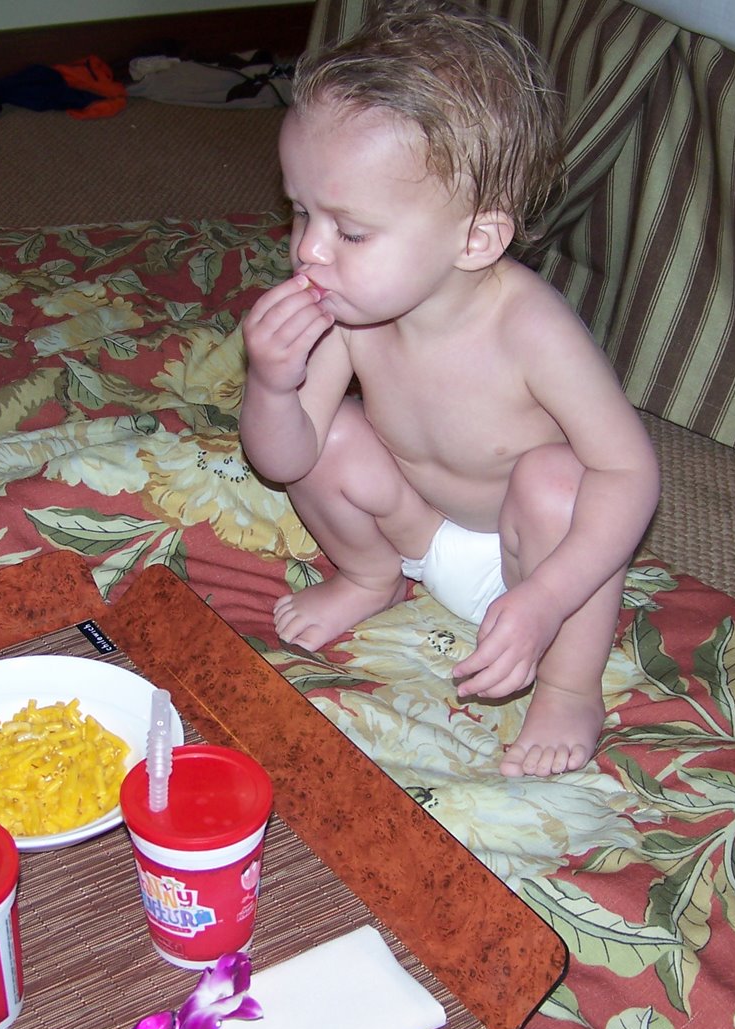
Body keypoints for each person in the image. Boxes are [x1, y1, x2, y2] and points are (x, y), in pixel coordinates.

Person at [239, 0, 660, 776]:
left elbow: (631, 474)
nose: (309, 252)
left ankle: (569, 686)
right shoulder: (349, 311)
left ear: (476, 238)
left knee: (559, 482)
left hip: (534, 564)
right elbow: (283, 459)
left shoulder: (530, 328)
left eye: (350, 230)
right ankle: (369, 577)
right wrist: (271, 384)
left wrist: (545, 597)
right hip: (420, 533)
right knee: (331, 434)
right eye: (301, 213)